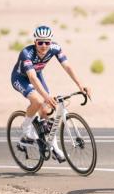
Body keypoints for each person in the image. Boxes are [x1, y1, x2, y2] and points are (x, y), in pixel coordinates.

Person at [11, 25, 91, 163]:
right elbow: (32, 78)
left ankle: (53, 147)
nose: (43, 46)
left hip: (37, 75)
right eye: (40, 42)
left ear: (51, 42)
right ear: (35, 42)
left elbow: (67, 66)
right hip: (20, 78)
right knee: (37, 101)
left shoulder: (55, 48)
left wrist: (80, 85)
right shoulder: (27, 53)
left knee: (47, 113)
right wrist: (46, 97)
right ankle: (26, 128)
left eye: (47, 42)